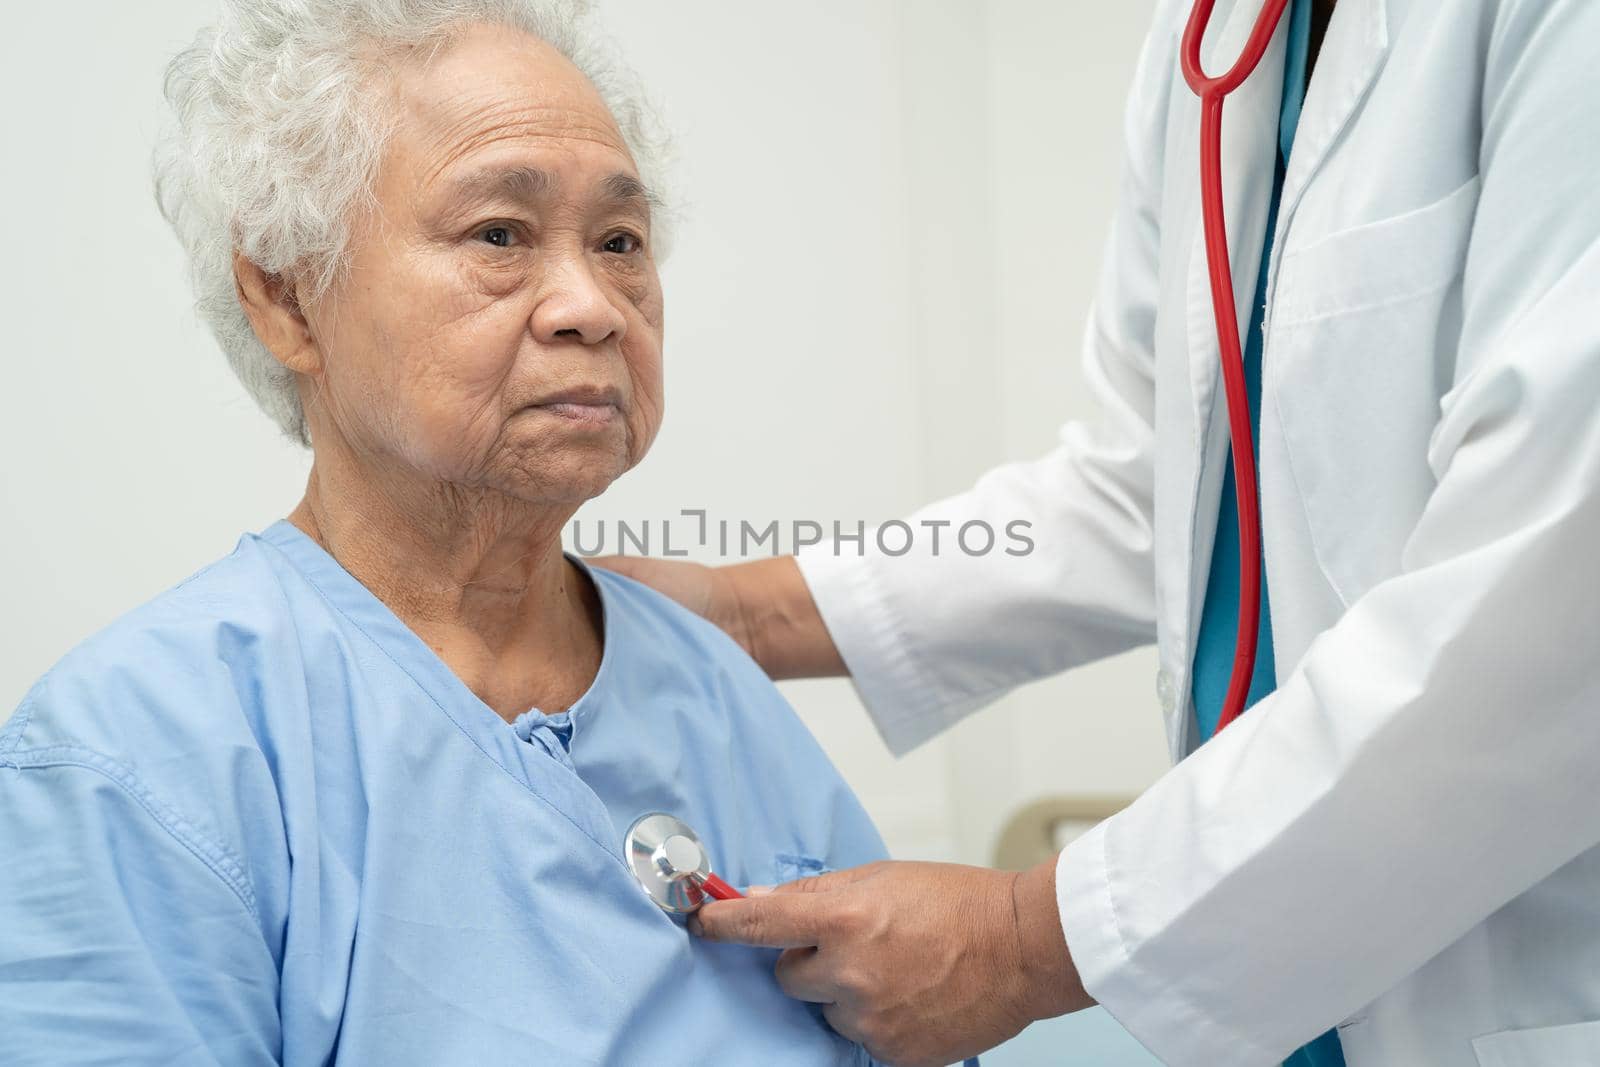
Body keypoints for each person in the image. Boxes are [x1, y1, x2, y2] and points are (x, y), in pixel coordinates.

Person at [598, 0, 1600, 1064]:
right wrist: (750, 613)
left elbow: (1555, 587)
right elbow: (1152, 483)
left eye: (618, 241)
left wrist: (1024, 940)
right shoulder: (1208, 41)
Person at [0, 3, 890, 1063]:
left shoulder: (712, 687)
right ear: (287, 296)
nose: (591, 306)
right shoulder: (140, 747)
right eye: (499, 235)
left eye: (619, 243)